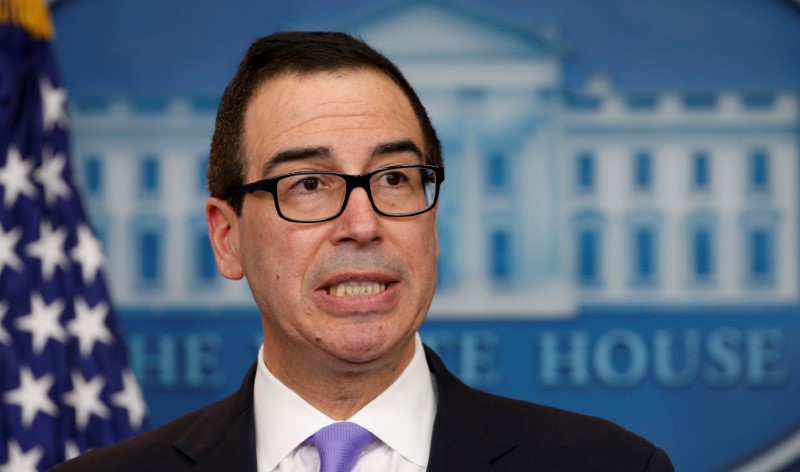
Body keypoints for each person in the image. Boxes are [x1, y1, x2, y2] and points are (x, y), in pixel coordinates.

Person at [54, 31, 674, 471]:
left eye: (394, 178)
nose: (363, 223)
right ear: (227, 237)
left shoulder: (615, 465)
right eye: (308, 184)